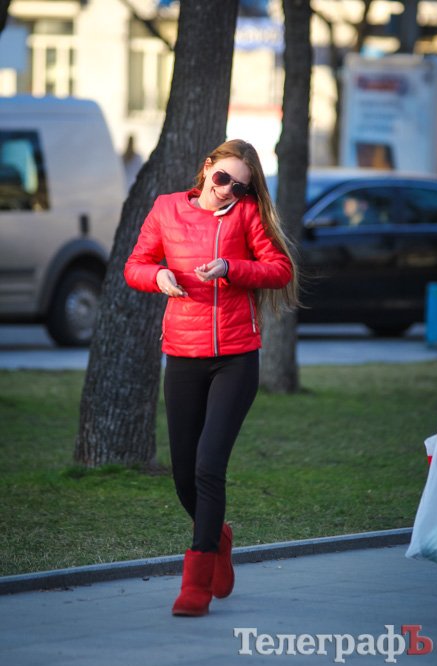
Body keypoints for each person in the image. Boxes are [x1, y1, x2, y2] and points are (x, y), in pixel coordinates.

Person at [124, 139, 298, 617]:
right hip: (183, 355)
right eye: (223, 178)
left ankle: (195, 585)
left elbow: (279, 270)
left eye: (239, 187)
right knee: (184, 475)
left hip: (235, 359)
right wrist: (157, 277)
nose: (227, 191)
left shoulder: (246, 216)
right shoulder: (166, 209)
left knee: (207, 467)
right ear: (207, 169)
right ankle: (218, 537)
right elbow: (134, 265)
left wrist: (230, 268)